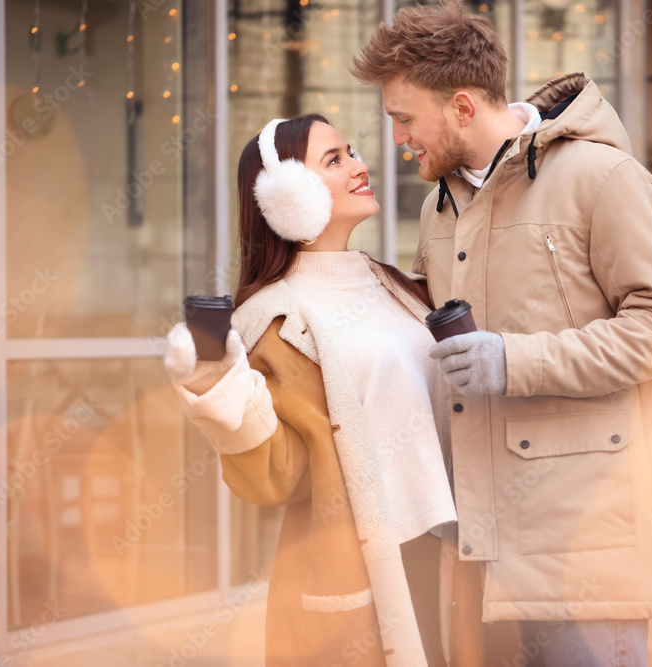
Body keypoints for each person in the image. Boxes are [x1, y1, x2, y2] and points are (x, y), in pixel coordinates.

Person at [351, 3, 652, 665]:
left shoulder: (603, 179)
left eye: (404, 118)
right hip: (478, 556)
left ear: (461, 106)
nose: (397, 138)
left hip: (586, 557)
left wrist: (513, 360)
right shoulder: (440, 204)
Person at [163, 114, 457, 666]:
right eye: (335, 159)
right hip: (368, 561)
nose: (360, 165)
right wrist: (216, 385)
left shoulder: (398, 285)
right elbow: (278, 475)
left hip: (448, 545)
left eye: (351, 152)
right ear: (287, 197)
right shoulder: (274, 319)